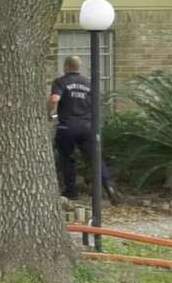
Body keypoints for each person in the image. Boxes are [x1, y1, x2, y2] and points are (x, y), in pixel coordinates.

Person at [49, 56, 120, 204]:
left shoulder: (61, 82)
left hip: (67, 126)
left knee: (67, 158)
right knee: (95, 158)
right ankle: (109, 186)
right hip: (88, 126)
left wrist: (49, 113)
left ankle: (71, 191)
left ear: (66, 66)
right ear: (78, 67)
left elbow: (54, 99)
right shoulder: (89, 83)